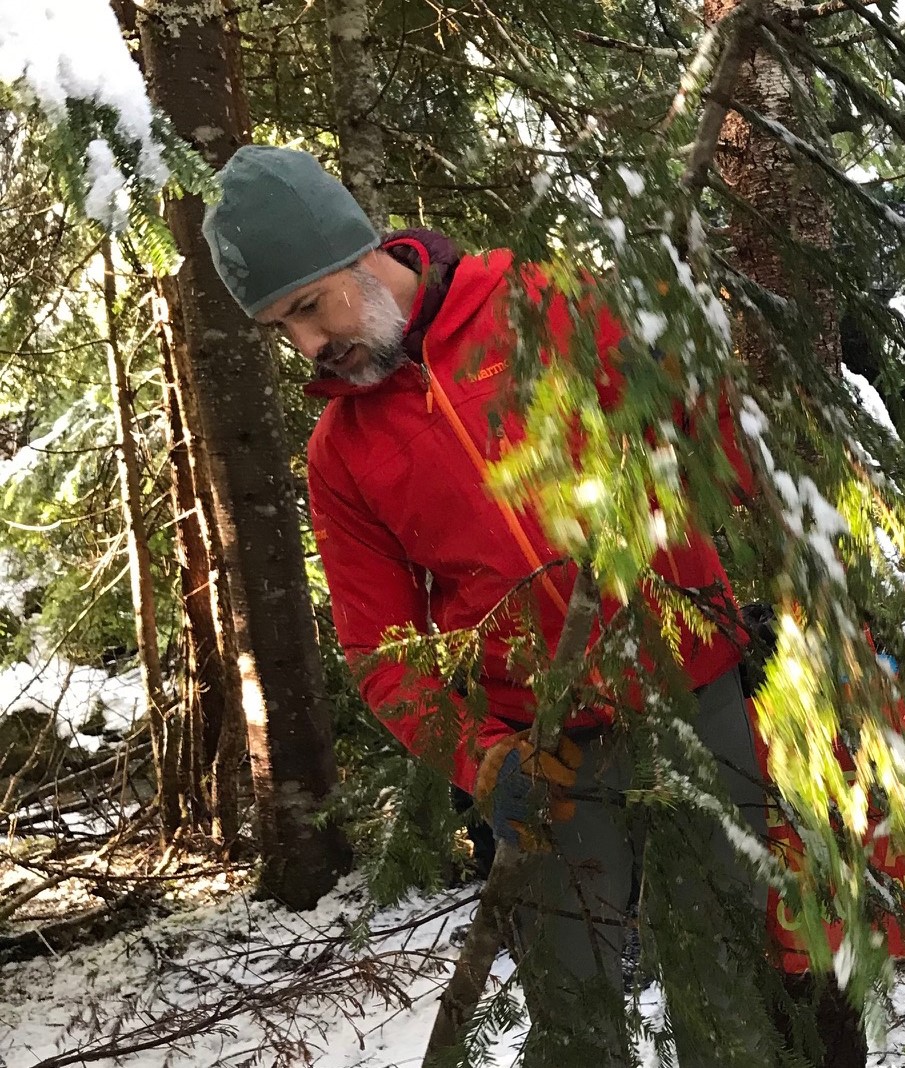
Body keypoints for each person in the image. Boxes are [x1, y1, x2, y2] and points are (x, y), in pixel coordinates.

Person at [201, 145, 867, 1067]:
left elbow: (721, 450)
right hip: (543, 753)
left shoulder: (544, 304)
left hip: (696, 694)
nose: (310, 346)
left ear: (362, 252)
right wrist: (481, 758)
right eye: (284, 327)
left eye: (311, 307)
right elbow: (382, 654)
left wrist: (687, 420)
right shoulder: (342, 452)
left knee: (728, 994)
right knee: (575, 1018)